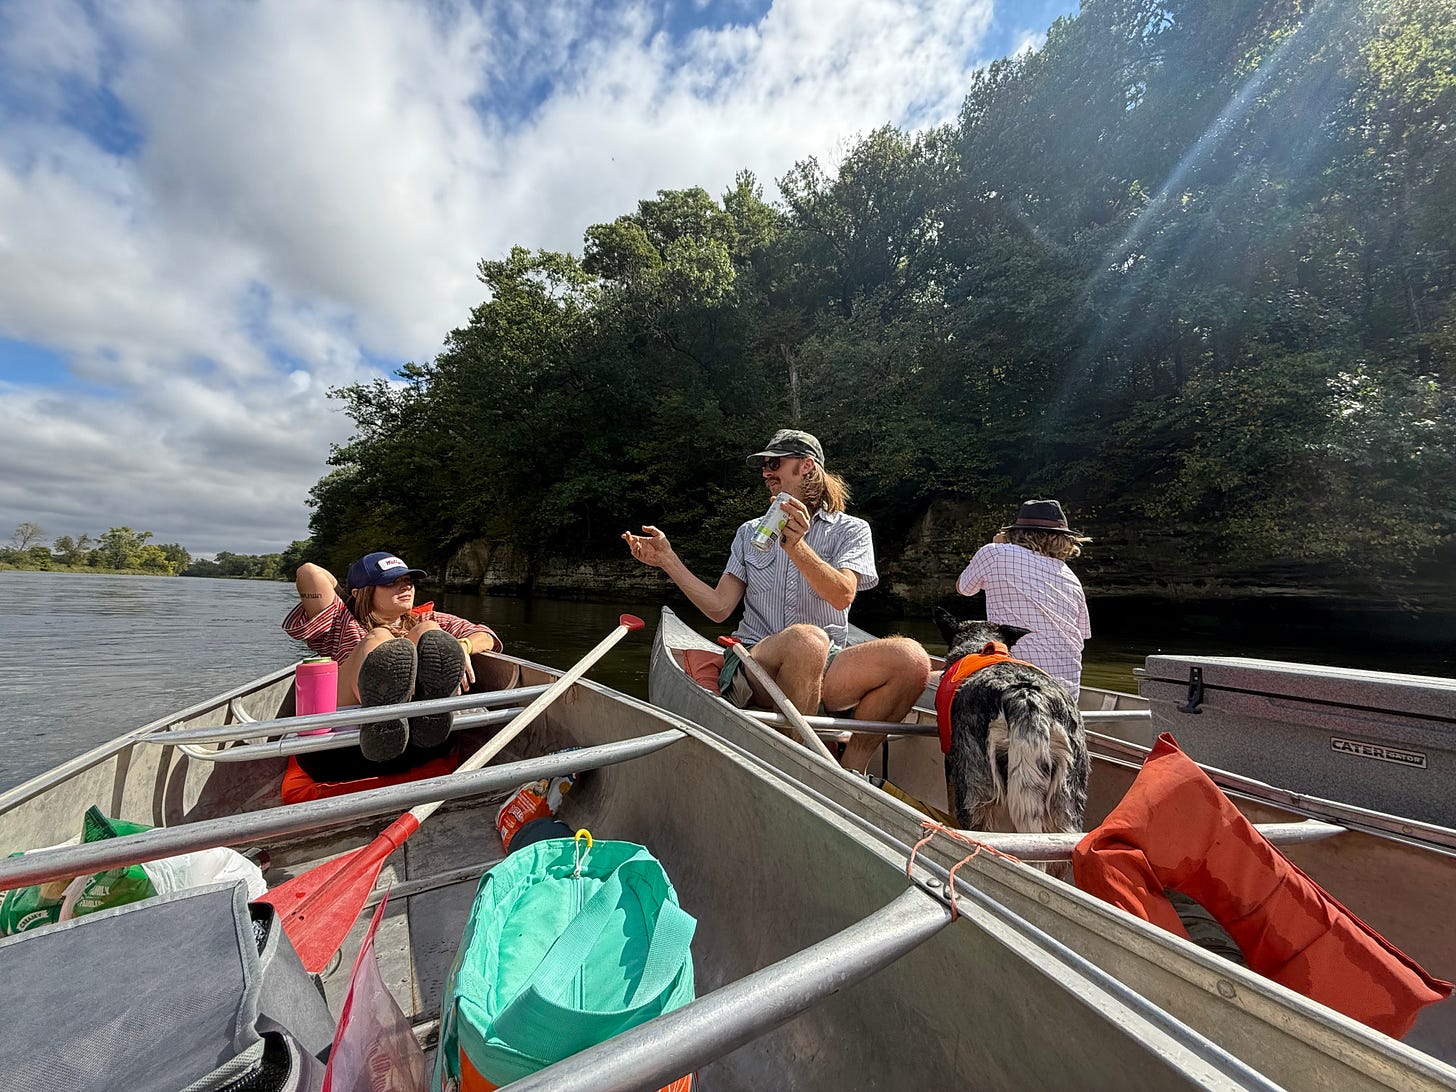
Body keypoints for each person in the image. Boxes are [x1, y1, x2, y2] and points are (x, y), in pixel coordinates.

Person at [623, 428, 930, 772]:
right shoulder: (748, 532)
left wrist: (797, 547)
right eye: (763, 466)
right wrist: (668, 561)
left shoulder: (851, 530)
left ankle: (852, 766)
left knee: (911, 658)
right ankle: (797, 765)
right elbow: (719, 607)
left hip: (827, 666)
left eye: (774, 463)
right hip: (756, 662)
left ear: (807, 466)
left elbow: (842, 595)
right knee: (806, 640)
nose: (765, 472)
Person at [282, 551, 501, 770]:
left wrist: (463, 646)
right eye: (391, 582)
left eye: (408, 580)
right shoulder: (340, 621)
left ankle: (428, 718)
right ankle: (382, 723)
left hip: (423, 744)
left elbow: (486, 636)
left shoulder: (428, 619)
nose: (406, 587)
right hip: (344, 749)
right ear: (362, 592)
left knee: (430, 632)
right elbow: (309, 572)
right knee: (379, 638)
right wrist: (349, 597)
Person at [955, 499, 1091, 698]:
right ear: (1063, 540)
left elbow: (963, 588)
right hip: (1067, 692)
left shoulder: (994, 552)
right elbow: (1082, 636)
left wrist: (997, 546)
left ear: (1017, 532)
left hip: (1015, 683)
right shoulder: (1071, 577)